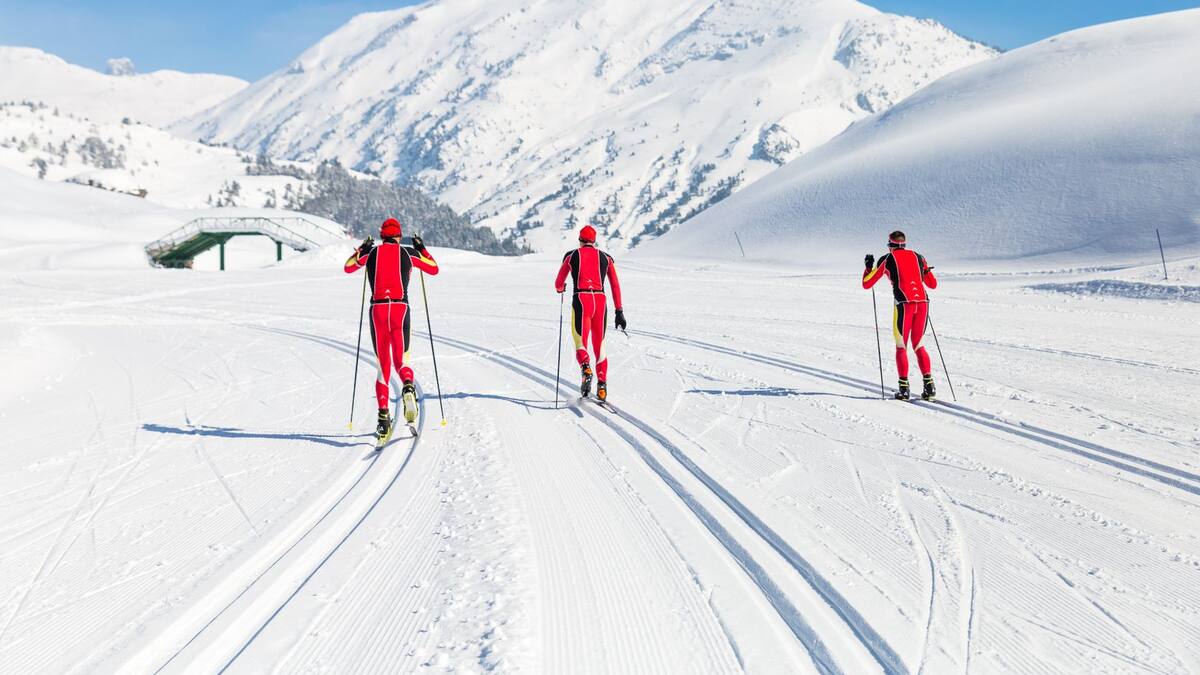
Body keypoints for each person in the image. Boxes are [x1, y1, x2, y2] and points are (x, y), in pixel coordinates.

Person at [345, 217, 439, 439]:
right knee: (401, 362)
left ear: (381, 236)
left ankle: (383, 419)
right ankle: (408, 386)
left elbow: (348, 267)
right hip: (400, 309)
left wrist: (362, 248)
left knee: (383, 368)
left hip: (378, 311)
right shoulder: (408, 252)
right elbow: (434, 269)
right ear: (399, 236)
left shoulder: (371, 253)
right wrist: (422, 248)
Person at [863, 230, 938, 401]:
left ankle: (904, 389)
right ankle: (929, 386)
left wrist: (868, 268)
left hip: (904, 304)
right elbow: (932, 284)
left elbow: (867, 284)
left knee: (901, 345)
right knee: (918, 344)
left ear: (890, 245)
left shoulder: (887, 259)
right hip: (923, 303)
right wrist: (925, 271)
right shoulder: (919, 257)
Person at [555, 225, 626, 402]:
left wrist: (561, 288)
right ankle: (602, 386)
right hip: (600, 302)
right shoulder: (606, 258)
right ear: (594, 241)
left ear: (580, 240)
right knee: (599, 346)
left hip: (581, 300)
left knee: (580, 342)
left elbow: (558, 283)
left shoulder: (572, 256)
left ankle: (586, 368)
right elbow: (615, 285)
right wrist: (619, 311)